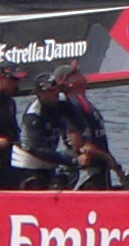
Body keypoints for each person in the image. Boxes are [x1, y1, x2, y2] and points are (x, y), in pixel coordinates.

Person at [37, 60, 119, 189]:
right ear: (68, 82)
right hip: (87, 169)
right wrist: (106, 157)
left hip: (100, 164)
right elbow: (77, 143)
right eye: (76, 73)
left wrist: (110, 161)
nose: (82, 74)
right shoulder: (72, 104)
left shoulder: (83, 101)